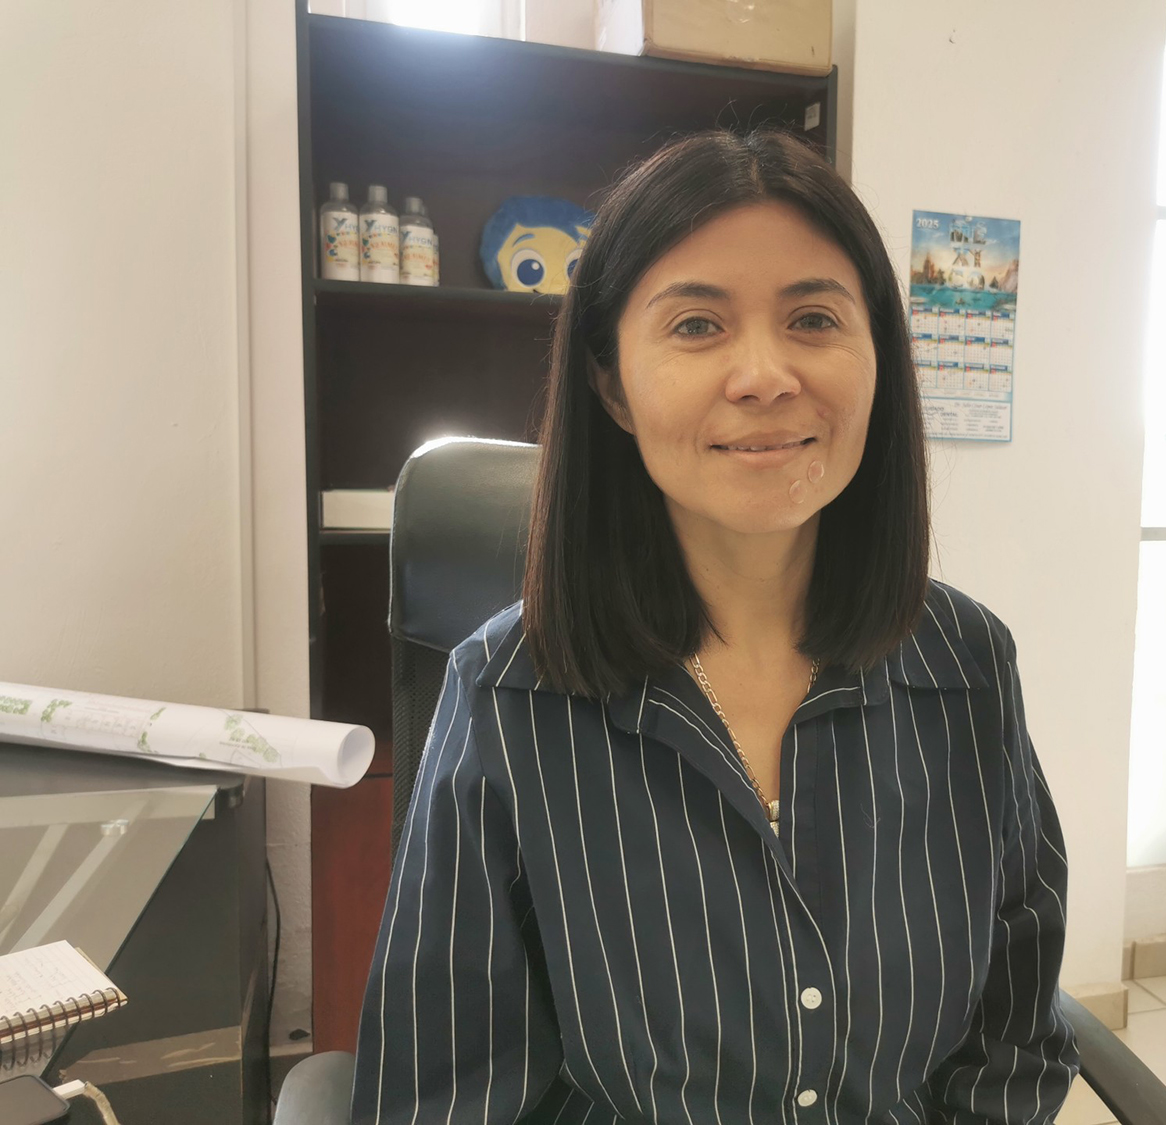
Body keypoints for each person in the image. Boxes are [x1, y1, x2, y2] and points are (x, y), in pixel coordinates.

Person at [349, 126, 1078, 1124]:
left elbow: (1013, 1037)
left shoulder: (967, 667)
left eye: (814, 318)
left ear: (878, 359)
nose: (765, 375)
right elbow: (443, 1092)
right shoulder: (509, 693)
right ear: (612, 382)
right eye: (697, 325)